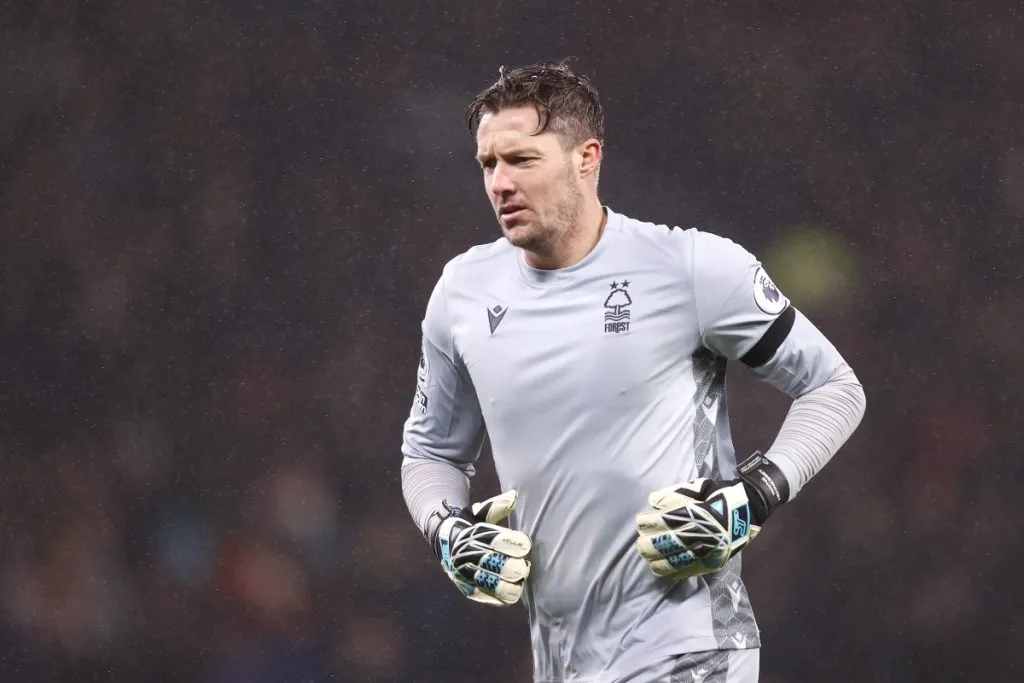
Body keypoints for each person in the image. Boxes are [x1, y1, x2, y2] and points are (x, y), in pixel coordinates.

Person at [401, 60, 866, 683]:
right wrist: (446, 533)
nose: (500, 183)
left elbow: (834, 387)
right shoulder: (463, 291)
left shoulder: (693, 267)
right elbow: (430, 452)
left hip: (693, 651)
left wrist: (753, 499)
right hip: (562, 663)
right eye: (489, 164)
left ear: (586, 158)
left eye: (523, 160)